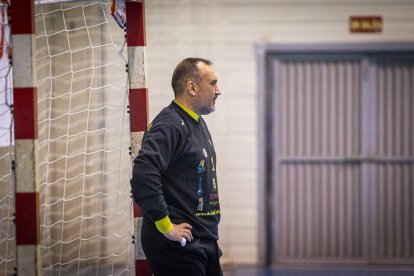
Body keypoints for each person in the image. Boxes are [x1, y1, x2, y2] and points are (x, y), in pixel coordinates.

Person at [130, 57, 223, 276]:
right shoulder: (170, 124)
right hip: (179, 247)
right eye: (213, 83)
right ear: (192, 87)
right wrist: (166, 226)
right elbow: (144, 173)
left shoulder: (196, 122)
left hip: (204, 240)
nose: (218, 90)